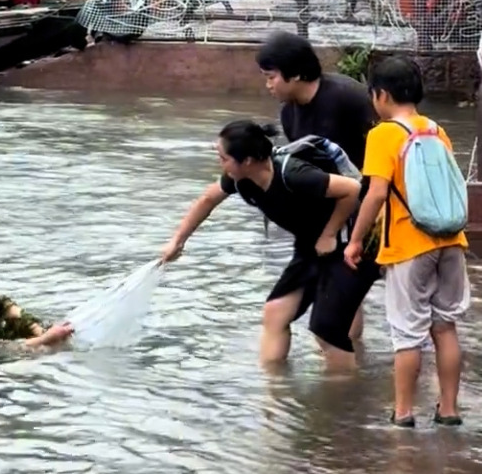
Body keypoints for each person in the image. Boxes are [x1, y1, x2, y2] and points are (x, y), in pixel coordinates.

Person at [159, 120, 372, 370]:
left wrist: (329, 233)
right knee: (275, 313)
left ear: (247, 160)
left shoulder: (294, 175)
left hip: (348, 243)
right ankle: (273, 395)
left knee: (326, 330)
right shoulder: (240, 179)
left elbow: (352, 189)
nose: (221, 163)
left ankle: (344, 394)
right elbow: (208, 199)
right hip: (309, 246)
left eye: (223, 157)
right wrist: (177, 241)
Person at [344, 57, 470, 428]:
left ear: (381, 95)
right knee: (445, 327)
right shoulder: (436, 130)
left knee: (407, 335)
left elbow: (376, 193)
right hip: (451, 240)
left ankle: (402, 414)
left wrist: (354, 240)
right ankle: (448, 411)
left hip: (409, 245)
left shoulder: (383, 134)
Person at [256, 31, 379, 340]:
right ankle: (350, 361)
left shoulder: (347, 97)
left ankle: (345, 367)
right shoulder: (289, 114)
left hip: (370, 203)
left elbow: (388, 143)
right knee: (342, 294)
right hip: (333, 210)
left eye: (271, 77)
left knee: (349, 294)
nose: (268, 85)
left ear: (295, 74)